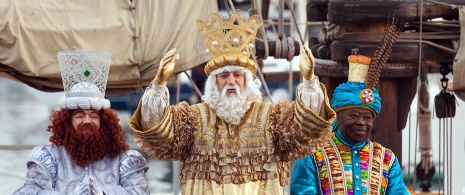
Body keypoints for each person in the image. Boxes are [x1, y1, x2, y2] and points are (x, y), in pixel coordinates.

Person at [129, 10, 336, 195]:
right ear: (214, 82)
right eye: (223, 76)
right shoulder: (192, 118)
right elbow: (158, 136)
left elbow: (307, 132)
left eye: (237, 75)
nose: (231, 81)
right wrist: (158, 84)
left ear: (247, 80)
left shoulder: (273, 117)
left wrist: (309, 81)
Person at [14, 50, 150, 195]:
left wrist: (103, 192)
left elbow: (139, 192)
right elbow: (28, 192)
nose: (87, 121)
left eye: (93, 116)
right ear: (68, 121)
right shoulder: (49, 158)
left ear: (104, 122)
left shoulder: (124, 159)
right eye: (79, 115)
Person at [290, 51, 415, 195]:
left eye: (367, 118)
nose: (361, 122)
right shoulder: (312, 154)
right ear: (338, 118)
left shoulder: (387, 159)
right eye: (354, 115)